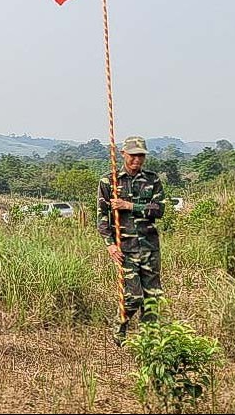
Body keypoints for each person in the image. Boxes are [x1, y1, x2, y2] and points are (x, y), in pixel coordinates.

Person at [98, 136, 165, 346]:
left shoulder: (153, 180)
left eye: (141, 155)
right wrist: (109, 244)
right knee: (134, 296)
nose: (137, 159)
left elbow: (158, 210)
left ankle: (150, 341)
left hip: (150, 247)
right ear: (123, 154)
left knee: (152, 296)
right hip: (125, 248)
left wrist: (129, 206)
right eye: (133, 155)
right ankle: (120, 325)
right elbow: (102, 218)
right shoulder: (110, 181)